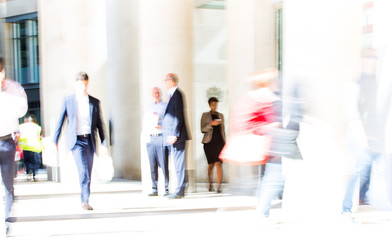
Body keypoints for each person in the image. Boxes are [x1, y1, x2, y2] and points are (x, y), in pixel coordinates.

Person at [341, 49, 391, 221]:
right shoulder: (355, 84)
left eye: (374, 58)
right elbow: (352, 113)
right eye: (369, 58)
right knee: (357, 172)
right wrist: (362, 137)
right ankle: (346, 210)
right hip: (359, 137)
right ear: (362, 60)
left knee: (385, 171)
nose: (372, 61)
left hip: (378, 138)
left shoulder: (379, 86)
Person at [53, 72, 107, 211]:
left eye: (85, 83)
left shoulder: (94, 102)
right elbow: (60, 121)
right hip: (76, 141)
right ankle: (85, 201)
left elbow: (100, 124)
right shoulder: (68, 100)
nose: (83, 86)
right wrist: (55, 141)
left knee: (88, 171)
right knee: (83, 170)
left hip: (89, 140)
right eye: (80, 83)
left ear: (87, 83)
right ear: (76, 84)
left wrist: (104, 142)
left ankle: (85, 198)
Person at [0, 57, 28, 234]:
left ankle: (7, 219)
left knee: (8, 185)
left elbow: (21, 110)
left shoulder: (15, 88)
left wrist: (7, 93)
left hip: (7, 142)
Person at [162, 73, 189, 199]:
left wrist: (174, 134)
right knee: (177, 164)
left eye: (166, 80)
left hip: (177, 136)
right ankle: (179, 188)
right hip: (173, 136)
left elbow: (178, 116)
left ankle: (180, 190)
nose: (165, 82)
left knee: (179, 164)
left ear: (172, 81)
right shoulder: (173, 95)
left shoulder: (177, 94)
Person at [144, 87, 169, 196]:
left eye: (158, 92)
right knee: (152, 165)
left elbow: (168, 120)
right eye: (154, 92)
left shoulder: (165, 106)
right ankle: (154, 188)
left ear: (160, 93)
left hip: (161, 137)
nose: (156, 94)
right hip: (151, 138)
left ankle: (167, 188)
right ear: (152, 94)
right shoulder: (149, 108)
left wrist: (162, 125)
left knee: (164, 164)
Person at [201, 97, 225, 193]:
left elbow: (223, 130)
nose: (215, 106)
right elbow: (202, 129)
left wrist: (225, 142)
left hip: (220, 142)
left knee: (219, 163)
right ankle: (210, 184)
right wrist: (211, 124)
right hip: (209, 143)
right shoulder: (205, 115)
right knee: (211, 165)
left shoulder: (221, 116)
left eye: (216, 104)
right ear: (210, 105)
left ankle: (219, 186)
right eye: (213, 105)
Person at [18, 115, 43, 181]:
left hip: (26, 147)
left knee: (27, 161)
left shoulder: (21, 127)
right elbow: (40, 135)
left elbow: (18, 136)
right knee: (35, 161)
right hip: (35, 147)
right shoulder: (37, 127)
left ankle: (28, 171)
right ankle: (34, 173)